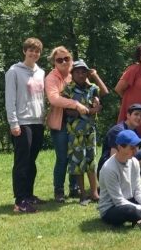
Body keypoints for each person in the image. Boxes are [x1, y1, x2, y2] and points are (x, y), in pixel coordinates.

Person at [5, 38, 45, 213]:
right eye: (30, 50)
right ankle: (20, 201)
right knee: (22, 162)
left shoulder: (41, 72)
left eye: (37, 51)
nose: (33, 53)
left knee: (31, 161)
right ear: (24, 51)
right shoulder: (14, 71)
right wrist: (13, 123)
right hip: (22, 122)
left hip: (38, 122)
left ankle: (28, 195)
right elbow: (10, 99)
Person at [45, 46, 89, 202]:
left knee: (76, 156)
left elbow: (88, 88)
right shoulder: (51, 78)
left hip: (78, 123)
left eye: (67, 58)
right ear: (54, 62)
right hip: (60, 124)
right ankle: (59, 191)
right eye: (59, 60)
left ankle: (74, 188)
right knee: (63, 157)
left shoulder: (76, 72)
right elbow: (54, 99)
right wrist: (75, 104)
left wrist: (95, 99)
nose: (64, 62)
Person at [63, 60, 107, 205]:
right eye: (77, 72)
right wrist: (89, 110)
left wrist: (95, 76)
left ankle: (94, 193)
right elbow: (68, 111)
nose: (81, 75)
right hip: (75, 132)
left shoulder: (92, 88)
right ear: (72, 74)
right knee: (77, 163)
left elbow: (103, 96)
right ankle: (83, 194)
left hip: (90, 131)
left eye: (83, 72)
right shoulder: (68, 89)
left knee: (91, 161)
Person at [97, 103, 141, 178]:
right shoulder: (118, 131)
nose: (139, 117)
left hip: (124, 162)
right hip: (108, 170)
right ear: (128, 115)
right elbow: (114, 158)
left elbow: (134, 154)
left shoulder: (134, 131)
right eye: (136, 114)